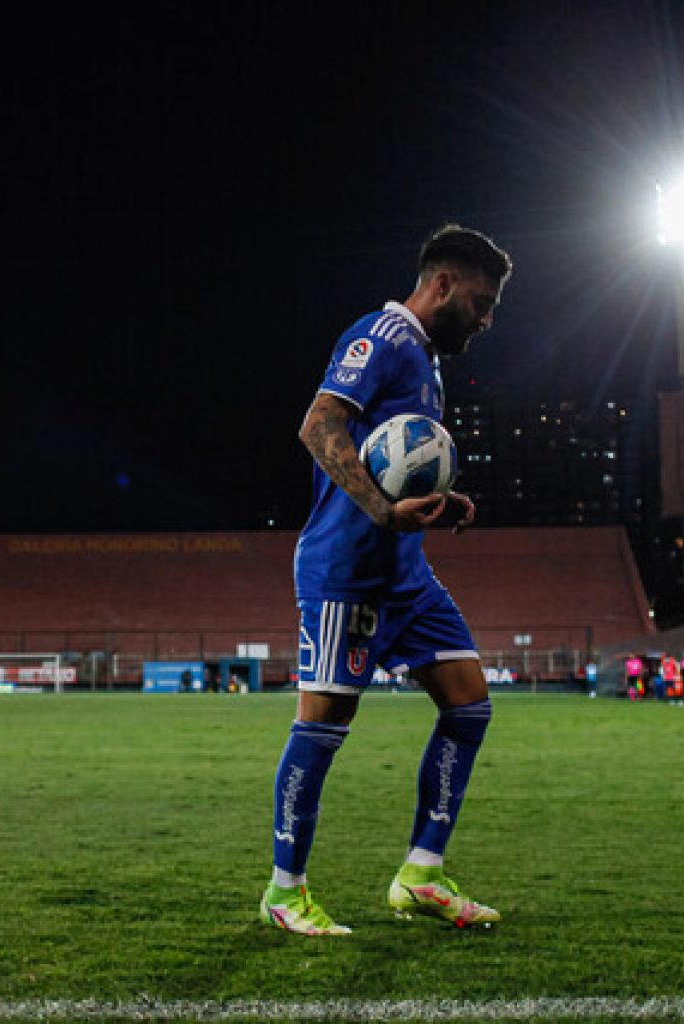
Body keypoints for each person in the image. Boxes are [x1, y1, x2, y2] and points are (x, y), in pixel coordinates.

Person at [259, 224, 513, 936]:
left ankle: (421, 874)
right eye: (481, 301)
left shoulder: (427, 364)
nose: (487, 319)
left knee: (469, 706)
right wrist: (381, 509)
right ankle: (285, 890)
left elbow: (398, 462)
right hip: (347, 574)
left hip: (405, 574)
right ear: (441, 285)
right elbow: (318, 426)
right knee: (323, 727)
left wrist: (436, 500)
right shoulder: (381, 338)